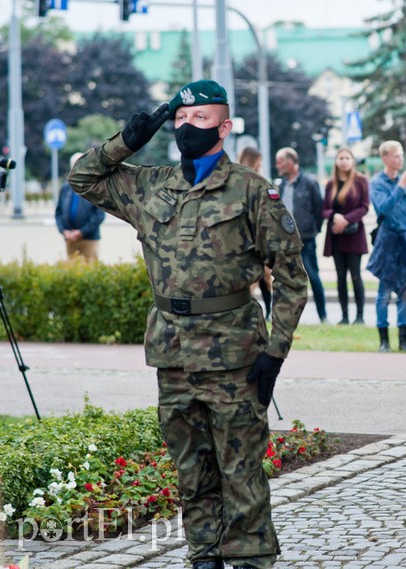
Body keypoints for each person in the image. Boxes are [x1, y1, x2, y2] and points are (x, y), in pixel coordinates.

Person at [69, 79, 308, 569]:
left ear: (224, 127)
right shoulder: (150, 184)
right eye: (179, 118)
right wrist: (127, 142)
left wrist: (275, 352)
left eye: (199, 119)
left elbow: (290, 278)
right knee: (191, 465)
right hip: (172, 351)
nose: (186, 126)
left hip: (234, 352)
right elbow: (83, 178)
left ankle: (249, 557)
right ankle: (203, 553)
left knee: (240, 466)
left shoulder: (252, 190)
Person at [367, 141, 406, 352]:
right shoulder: (377, 183)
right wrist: (401, 184)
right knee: (384, 293)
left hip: (404, 240)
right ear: (385, 158)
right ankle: (384, 341)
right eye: (395, 156)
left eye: (401, 156)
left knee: (404, 291)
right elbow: (383, 207)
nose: (400, 160)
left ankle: (404, 340)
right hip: (386, 241)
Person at [276, 147, 327, 324]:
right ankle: (288, 318)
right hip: (285, 242)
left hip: (306, 239)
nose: (277, 166)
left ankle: (323, 316)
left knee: (313, 276)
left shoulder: (309, 183)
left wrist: (314, 230)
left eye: (280, 162)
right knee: (286, 280)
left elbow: (319, 209)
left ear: (290, 162)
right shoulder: (281, 185)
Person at [322, 148, 370, 325]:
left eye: (347, 158)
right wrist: (334, 216)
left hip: (354, 235)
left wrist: (346, 220)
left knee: (356, 275)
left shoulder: (360, 181)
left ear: (352, 161)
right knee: (340, 277)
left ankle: (360, 316)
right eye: (340, 158)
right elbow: (324, 208)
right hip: (336, 236)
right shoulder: (331, 183)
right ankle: (344, 316)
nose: (343, 161)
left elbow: (364, 206)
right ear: (335, 161)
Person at [239, 147, 273, 319]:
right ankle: (262, 312)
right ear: (255, 160)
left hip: (243, 238)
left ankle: (267, 312)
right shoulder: (256, 182)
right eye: (259, 160)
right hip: (256, 237)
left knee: (262, 277)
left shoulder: (235, 180)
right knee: (259, 278)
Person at [55, 152, 106, 261]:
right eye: (75, 165)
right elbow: (58, 212)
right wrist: (64, 231)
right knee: (72, 274)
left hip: (89, 239)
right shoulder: (66, 188)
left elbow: (99, 214)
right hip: (70, 240)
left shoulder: (94, 186)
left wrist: (81, 232)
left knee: (91, 272)